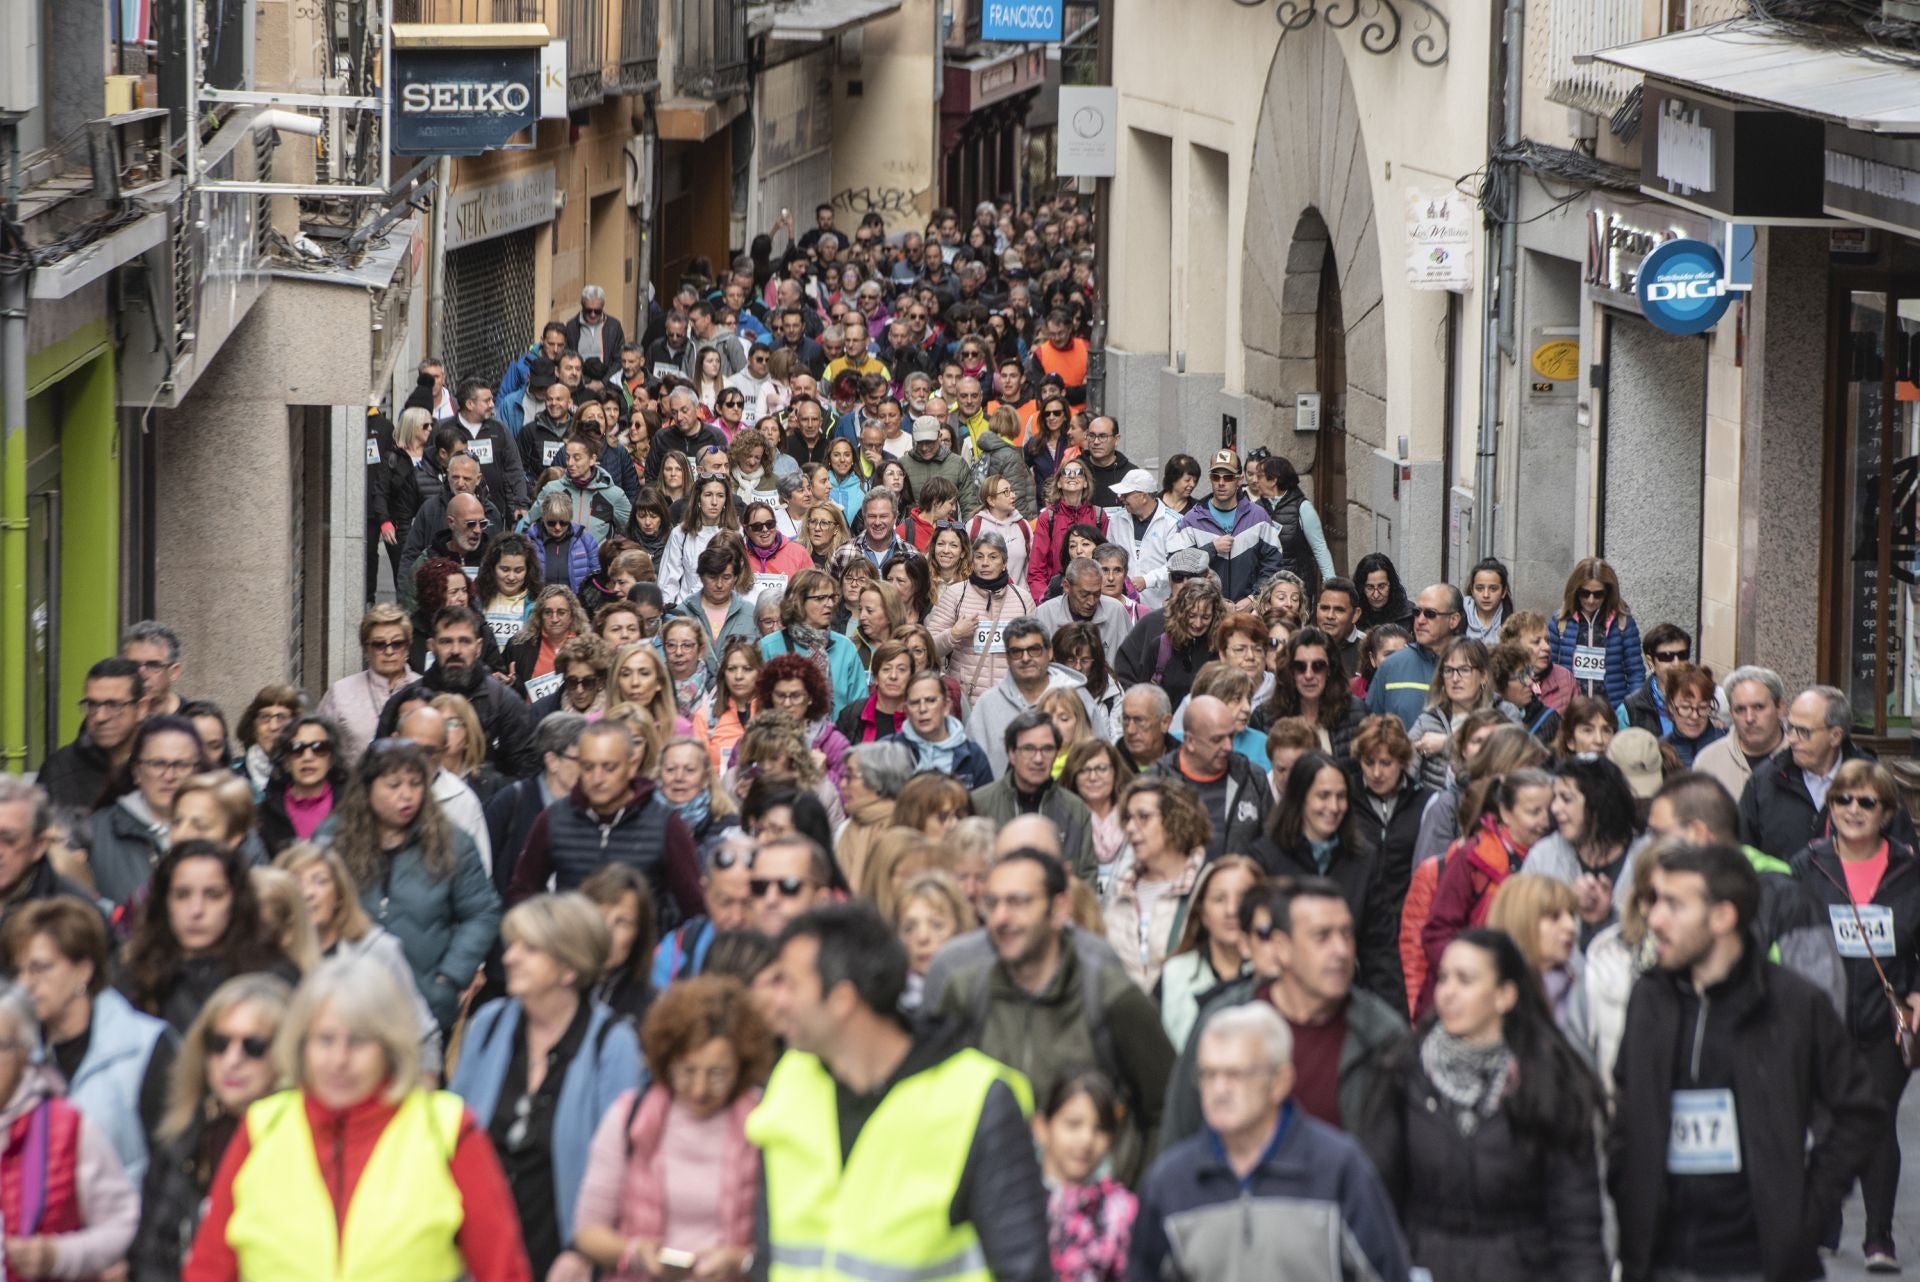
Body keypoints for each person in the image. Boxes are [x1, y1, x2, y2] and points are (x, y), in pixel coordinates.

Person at [1608, 842, 1883, 1282]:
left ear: (1722, 917)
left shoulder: (1795, 1003)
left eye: (1674, 905)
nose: (1654, 918)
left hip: (1758, 1262)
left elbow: (1858, 1112)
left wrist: (1805, 1213)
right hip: (1661, 1259)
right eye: (1655, 901)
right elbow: (1626, 1104)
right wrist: (1627, 1187)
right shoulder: (1649, 999)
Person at [750, 903, 1051, 1282]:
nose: (775, 1001)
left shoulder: (976, 1098)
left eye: (788, 984)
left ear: (842, 1000)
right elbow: (770, 1255)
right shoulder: (791, 1081)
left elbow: (1023, 1269)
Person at [183, 955, 529, 1282]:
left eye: (359, 1041)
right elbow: (210, 1267)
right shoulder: (264, 1127)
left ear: (390, 1047)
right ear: (302, 1043)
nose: (339, 1059)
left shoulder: (446, 1130)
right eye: (325, 1039)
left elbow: (503, 1269)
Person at [1361, 928, 1605, 1282]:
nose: (1448, 992)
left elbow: (1576, 1223)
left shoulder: (1547, 1081)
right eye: (1444, 978)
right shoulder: (1406, 1074)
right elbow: (1380, 1200)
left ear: (1504, 995)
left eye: (1466, 980)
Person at [923, 849, 1174, 1186]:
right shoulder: (965, 991)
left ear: (1059, 910)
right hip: (995, 1203)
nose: (1000, 918)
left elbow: (1167, 1104)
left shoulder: (1109, 995)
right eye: (992, 903)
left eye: (1018, 902)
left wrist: (1138, 1197)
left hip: (1094, 1211)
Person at [1132, 1001, 1409, 1282]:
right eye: (1208, 1074)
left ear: (1280, 1082)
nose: (1219, 1089)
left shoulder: (1338, 1168)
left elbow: (1388, 1274)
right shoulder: (1170, 1182)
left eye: (1235, 1074)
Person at [449, 893, 642, 1280]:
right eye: (512, 944)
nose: (509, 957)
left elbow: (624, 1166)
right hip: (478, 1254)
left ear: (569, 968)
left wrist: (583, 1252)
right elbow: (453, 1135)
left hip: (562, 1255)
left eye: (529, 948)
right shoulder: (488, 1025)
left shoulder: (612, 1043)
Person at [1789, 759, 1920, 1269]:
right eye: (1843, 799)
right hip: (1823, 1014)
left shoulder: (1910, 868)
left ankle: (1879, 1238)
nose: (1853, 810)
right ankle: (1825, 1217)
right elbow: (1792, 934)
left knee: (1875, 1121)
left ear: (1886, 812)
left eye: (1866, 801)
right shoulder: (1809, 864)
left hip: (1887, 1016)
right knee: (1826, 1119)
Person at [1163, 877, 1408, 1144]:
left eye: (1346, 934)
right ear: (1282, 947)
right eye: (1321, 936)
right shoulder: (1224, 1021)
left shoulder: (1380, 1035)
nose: (1341, 951)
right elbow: (1179, 1136)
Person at [572, 975, 771, 1281]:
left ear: (742, 1067)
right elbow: (588, 1231)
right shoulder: (630, 1116)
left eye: (717, 1074)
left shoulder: (764, 1122)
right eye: (687, 1071)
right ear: (667, 1062)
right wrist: (635, 1252)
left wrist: (742, 1261)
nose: (699, 1089)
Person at [329, 739, 499, 1032]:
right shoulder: (334, 839)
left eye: (415, 783)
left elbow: (481, 912)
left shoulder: (452, 843)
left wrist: (450, 977)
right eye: (394, 785)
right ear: (367, 788)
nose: (406, 795)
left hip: (425, 1004)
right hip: (347, 1001)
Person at [130, 974, 289, 1282]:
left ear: (284, 1054)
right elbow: (151, 1250)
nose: (232, 1060)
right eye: (219, 1043)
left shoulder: (296, 1144)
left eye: (253, 1047)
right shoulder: (184, 1131)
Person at [3, 898, 173, 1185]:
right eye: (20, 971)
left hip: (126, 1221)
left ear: (84, 970)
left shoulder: (145, 1046)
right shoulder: (15, 1050)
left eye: (40, 968)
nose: (25, 984)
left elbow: (169, 1161)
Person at [0, 978, 140, 1278]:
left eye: (0, 1046)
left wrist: (59, 1255)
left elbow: (122, 1224)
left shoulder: (67, 1126)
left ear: (25, 1052)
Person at [508, 721, 704, 928]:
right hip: (572, 952)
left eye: (609, 767)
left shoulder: (666, 824)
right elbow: (523, 892)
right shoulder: (553, 819)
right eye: (588, 767)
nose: (597, 778)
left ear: (631, 766)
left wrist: (665, 954)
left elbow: (694, 906)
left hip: (645, 956)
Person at [1249, 750, 1403, 1011]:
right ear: (1300, 798)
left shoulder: (1363, 860)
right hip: (1282, 1004)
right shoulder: (1265, 857)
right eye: (1323, 796)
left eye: (1341, 797)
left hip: (1347, 1001)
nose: (1333, 807)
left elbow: (1380, 950)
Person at [276, 843, 442, 1071]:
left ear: (340, 895)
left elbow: (420, 1034)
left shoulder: (378, 951)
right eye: (297, 882)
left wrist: (423, 1090)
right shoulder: (274, 959)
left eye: (320, 881)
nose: (308, 893)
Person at [119, 840, 297, 1034]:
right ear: (164, 902)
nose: (196, 910)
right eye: (182, 894)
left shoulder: (274, 977)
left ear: (236, 900)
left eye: (213, 895)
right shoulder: (136, 979)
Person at [1417, 768, 1555, 1013]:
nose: (1544, 822)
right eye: (1534, 812)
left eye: (1549, 811)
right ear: (1505, 812)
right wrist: (1469, 974)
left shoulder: (1556, 856)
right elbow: (1437, 931)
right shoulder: (1472, 857)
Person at [1742, 685, 1916, 860]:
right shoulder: (1765, 780)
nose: (1792, 739)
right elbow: (1741, 856)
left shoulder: (1873, 782)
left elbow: (1904, 861)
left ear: (1835, 736)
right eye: (1790, 727)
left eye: (1803, 731)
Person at [381, 605, 539, 778]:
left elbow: (526, 772)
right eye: (446, 641)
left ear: (478, 647)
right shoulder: (405, 701)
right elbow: (381, 766)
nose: (455, 650)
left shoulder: (504, 702)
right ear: (431, 646)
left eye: (464, 641)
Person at [86, 714, 208, 909]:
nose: (169, 775)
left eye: (181, 765)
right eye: (158, 764)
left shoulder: (228, 826)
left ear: (198, 771)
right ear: (136, 772)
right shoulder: (95, 832)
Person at [1103, 777, 1212, 991]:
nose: (1131, 828)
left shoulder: (1207, 886)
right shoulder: (1120, 890)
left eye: (1143, 817)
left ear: (1175, 819)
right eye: (1128, 819)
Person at [970, 710, 1099, 885]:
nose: (1038, 759)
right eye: (1028, 749)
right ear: (1012, 754)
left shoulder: (1075, 809)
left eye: (1047, 749)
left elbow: (1085, 879)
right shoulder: (979, 804)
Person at [1036, 1071, 1136, 1282]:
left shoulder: (1120, 1211)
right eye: (1073, 1124)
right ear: (1041, 1127)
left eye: (1100, 1128)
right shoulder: (1019, 1200)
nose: (1086, 1140)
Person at [1147, 695, 1269, 862]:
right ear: (1189, 741)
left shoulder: (1252, 777)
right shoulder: (1155, 782)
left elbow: (1273, 843)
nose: (1228, 747)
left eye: (1230, 737)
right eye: (1217, 739)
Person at [1167, 449, 1281, 610]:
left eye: (1227, 477)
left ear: (1240, 480)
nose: (1221, 483)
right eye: (1215, 477)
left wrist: (1254, 598)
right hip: (1204, 611)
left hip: (1248, 613)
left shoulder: (1258, 517)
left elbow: (1273, 563)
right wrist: (1211, 549)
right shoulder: (1192, 519)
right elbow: (1175, 564)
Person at [317, 605, 420, 767]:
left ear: (407, 647)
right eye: (379, 645)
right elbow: (319, 747)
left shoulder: (425, 690)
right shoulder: (340, 693)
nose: (389, 651)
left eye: (397, 643)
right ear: (366, 649)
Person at [760, 567, 870, 716]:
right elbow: (758, 706)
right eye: (820, 598)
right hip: (782, 735)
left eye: (832, 597)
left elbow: (860, 706)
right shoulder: (768, 647)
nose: (829, 604)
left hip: (839, 736)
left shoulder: (845, 647)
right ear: (798, 601)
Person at [40, 656, 144, 814]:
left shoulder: (162, 765)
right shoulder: (59, 769)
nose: (100, 717)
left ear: (141, 708)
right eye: (92, 705)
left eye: (113, 705)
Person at [1546, 557, 1644, 713]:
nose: (1591, 600)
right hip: (1570, 713)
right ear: (1575, 590)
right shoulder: (1560, 622)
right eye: (1585, 593)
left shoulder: (1623, 623)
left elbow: (1635, 672)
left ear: (1608, 593)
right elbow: (1547, 669)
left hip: (1612, 713)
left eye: (1598, 594)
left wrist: (1629, 710)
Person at [1694, 665, 1788, 805]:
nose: (1750, 718)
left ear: (1780, 708)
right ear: (1731, 713)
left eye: (1758, 707)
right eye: (1740, 709)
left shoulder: (1802, 759)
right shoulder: (1707, 763)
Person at [890, 669, 994, 787]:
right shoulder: (888, 751)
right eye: (915, 703)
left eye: (931, 700)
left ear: (946, 706)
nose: (922, 709)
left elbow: (986, 803)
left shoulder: (973, 755)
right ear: (906, 710)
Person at [1028, 461, 1108, 602]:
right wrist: (1044, 601)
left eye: (1078, 473)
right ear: (1059, 483)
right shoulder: (1048, 517)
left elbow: (1105, 562)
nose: (1072, 476)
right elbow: (1036, 570)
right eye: (1066, 472)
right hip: (1057, 596)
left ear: (1085, 483)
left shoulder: (1098, 516)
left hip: (1093, 596)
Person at [1619, 622, 1694, 737]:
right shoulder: (1630, 709)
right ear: (1650, 661)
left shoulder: (1706, 699)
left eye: (1682, 655)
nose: (1676, 663)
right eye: (1666, 656)